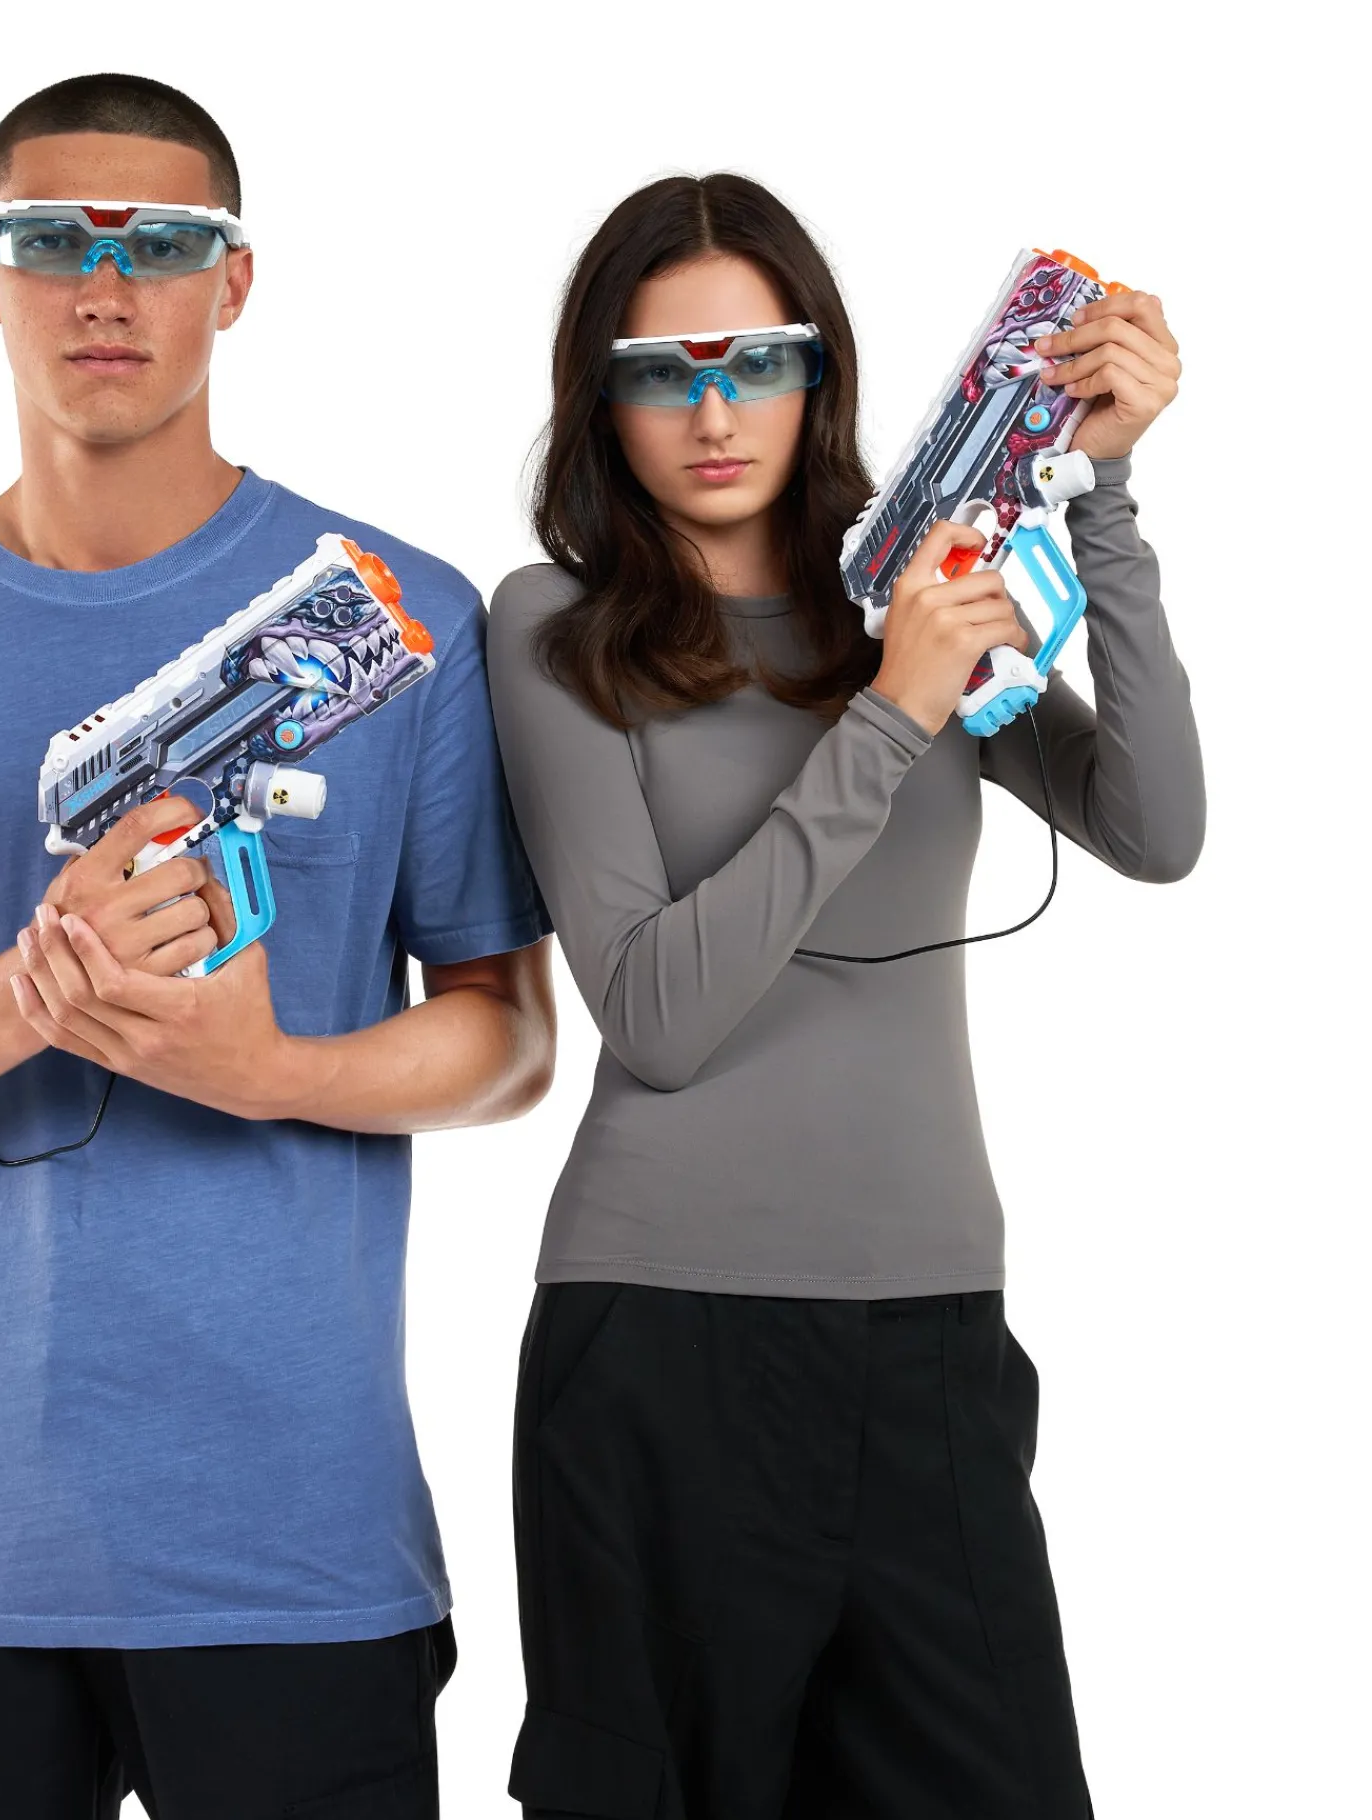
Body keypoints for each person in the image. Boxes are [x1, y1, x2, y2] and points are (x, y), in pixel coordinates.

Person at [0, 72, 554, 1820]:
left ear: (234, 283)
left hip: (296, 1538)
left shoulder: (404, 619)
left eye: (162, 244)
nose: (107, 287)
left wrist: (274, 1071)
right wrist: (36, 990)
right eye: (54, 240)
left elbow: (511, 1040)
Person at [484, 173, 1203, 1818]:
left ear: (823, 376)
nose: (715, 413)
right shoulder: (555, 627)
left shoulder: (909, 605)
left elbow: (1157, 831)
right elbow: (656, 1014)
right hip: (663, 1333)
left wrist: (1102, 493)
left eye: (759, 360)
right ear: (599, 397)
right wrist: (888, 718)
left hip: (934, 1328)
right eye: (662, 371)